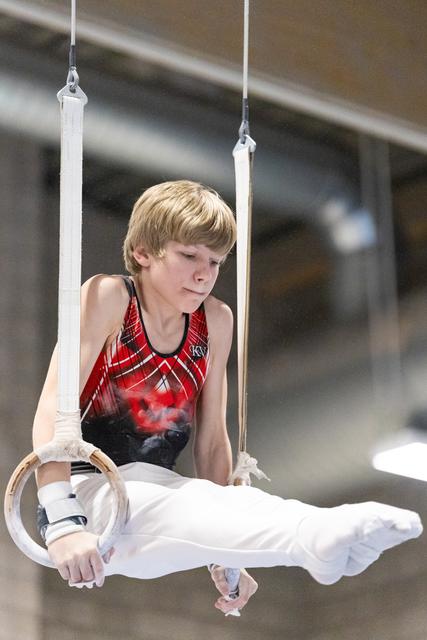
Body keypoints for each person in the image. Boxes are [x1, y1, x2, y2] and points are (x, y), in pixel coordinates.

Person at [33, 180, 422, 616]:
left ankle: (317, 538)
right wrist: (61, 516)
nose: (204, 274)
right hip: (90, 494)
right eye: (189, 256)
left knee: (234, 501)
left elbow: (213, 442)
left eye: (216, 262)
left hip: (161, 490)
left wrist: (227, 552)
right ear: (143, 252)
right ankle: (313, 537)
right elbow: (52, 407)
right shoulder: (107, 298)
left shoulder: (215, 321)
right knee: (170, 504)